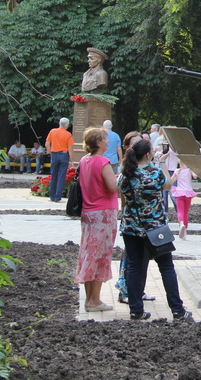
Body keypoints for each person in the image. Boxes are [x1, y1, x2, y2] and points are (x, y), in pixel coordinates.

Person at [118, 139, 192, 321]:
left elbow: (120, 189)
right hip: (156, 228)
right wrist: (159, 162)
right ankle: (177, 310)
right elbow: (167, 185)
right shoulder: (156, 173)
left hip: (132, 227)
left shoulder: (127, 173)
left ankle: (136, 310)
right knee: (166, 267)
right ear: (147, 155)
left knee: (134, 267)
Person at [74, 127, 120, 312]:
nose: (108, 142)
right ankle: (95, 301)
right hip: (104, 213)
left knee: (88, 253)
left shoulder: (84, 160)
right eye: (105, 139)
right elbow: (112, 186)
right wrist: (122, 178)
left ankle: (89, 300)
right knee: (101, 255)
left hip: (88, 212)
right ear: (98, 143)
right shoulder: (103, 161)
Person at [114, 131, 156, 305]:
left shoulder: (149, 166)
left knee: (144, 259)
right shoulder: (127, 167)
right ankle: (126, 291)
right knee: (131, 259)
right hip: (133, 221)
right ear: (127, 147)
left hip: (147, 222)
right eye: (135, 143)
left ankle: (139, 290)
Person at [45, 118, 75, 202]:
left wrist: (49, 152)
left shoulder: (52, 131)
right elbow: (70, 149)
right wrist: (71, 160)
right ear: (67, 125)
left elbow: (47, 143)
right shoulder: (68, 134)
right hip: (64, 155)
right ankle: (58, 197)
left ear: (59, 123)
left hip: (54, 154)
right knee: (61, 176)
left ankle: (52, 196)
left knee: (53, 176)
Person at [170, 160, 197, 240]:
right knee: (185, 212)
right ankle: (185, 232)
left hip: (180, 193)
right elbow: (195, 176)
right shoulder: (190, 170)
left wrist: (175, 174)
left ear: (179, 163)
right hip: (188, 193)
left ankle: (181, 224)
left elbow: (171, 181)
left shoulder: (178, 171)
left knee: (180, 211)